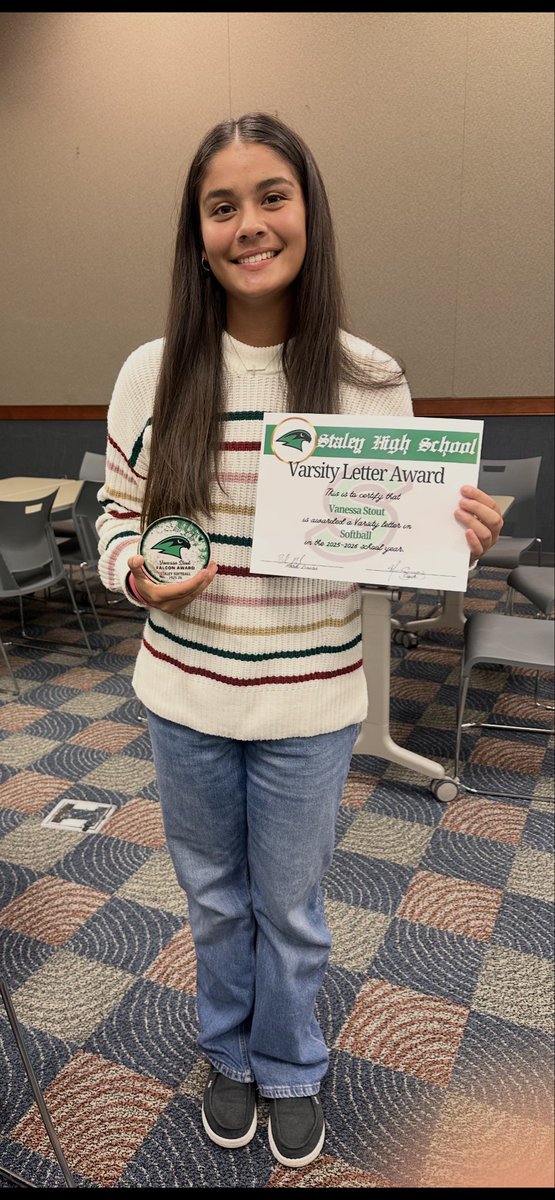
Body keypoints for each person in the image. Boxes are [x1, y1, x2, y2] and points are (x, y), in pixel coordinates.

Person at [96, 111, 503, 1168]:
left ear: (308, 212)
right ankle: (227, 1056)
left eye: (271, 196)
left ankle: (291, 1066)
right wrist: (134, 572)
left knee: (292, 905)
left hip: (314, 703)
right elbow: (116, 518)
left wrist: (447, 536)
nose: (249, 224)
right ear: (198, 235)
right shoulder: (153, 372)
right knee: (214, 898)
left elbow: (391, 556)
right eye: (221, 206)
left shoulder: (369, 378)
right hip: (185, 695)